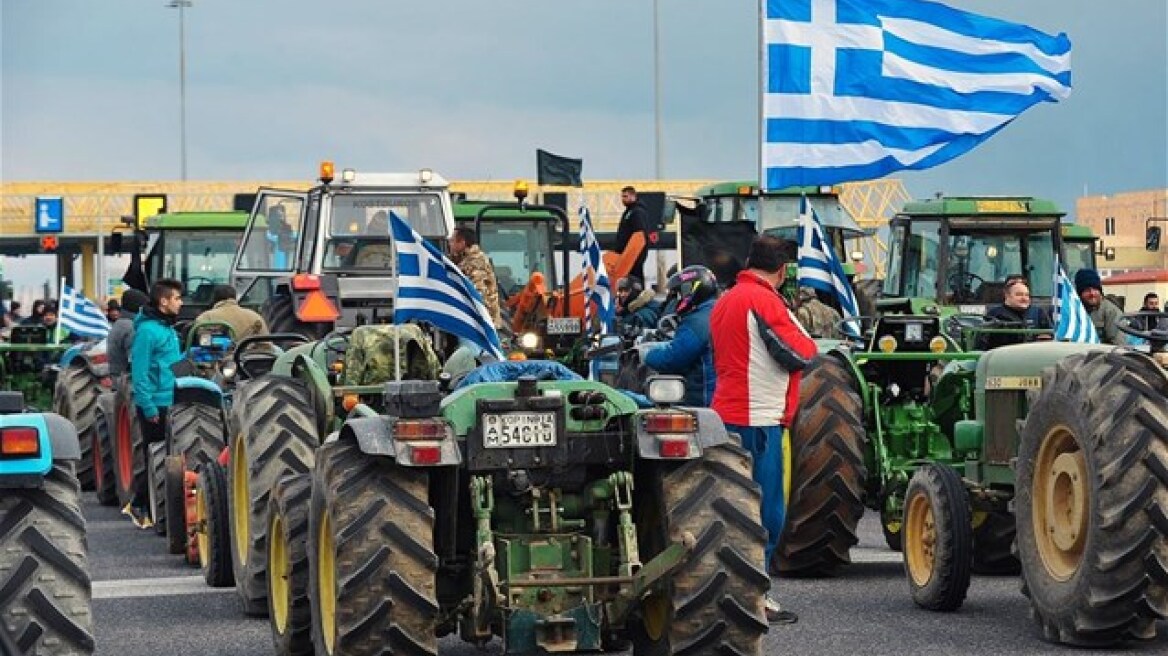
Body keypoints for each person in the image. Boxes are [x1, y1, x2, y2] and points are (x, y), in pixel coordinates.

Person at [709, 235, 816, 625]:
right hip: (761, 421)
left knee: (727, 509)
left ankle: (726, 590)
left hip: (726, 413)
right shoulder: (765, 300)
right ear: (783, 270)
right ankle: (757, 596)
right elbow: (801, 351)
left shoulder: (726, 300)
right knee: (766, 513)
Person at [126, 278, 184, 528]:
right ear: (163, 301)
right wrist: (147, 406)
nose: (181, 303)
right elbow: (139, 373)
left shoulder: (168, 329)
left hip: (172, 397)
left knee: (169, 456)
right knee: (156, 454)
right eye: (177, 298)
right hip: (155, 403)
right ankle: (141, 505)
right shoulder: (147, 332)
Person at [638, 266, 718, 407]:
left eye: (679, 294)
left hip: (703, 400)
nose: (677, 300)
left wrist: (645, 353)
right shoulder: (713, 310)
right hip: (716, 394)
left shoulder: (698, 321)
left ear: (691, 289)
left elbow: (673, 358)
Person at [975, 278, 1052, 350]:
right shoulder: (994, 314)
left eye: (1027, 295)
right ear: (1007, 295)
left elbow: (1049, 334)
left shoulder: (1038, 312)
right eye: (1019, 294)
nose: (1024, 298)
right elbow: (983, 344)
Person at [449, 227, 502, 328]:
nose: (449, 244)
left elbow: (477, 293)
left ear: (462, 243)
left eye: (452, 241)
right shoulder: (464, 260)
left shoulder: (476, 263)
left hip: (480, 323)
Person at [193, 285, 268, 346]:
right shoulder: (255, 316)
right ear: (235, 298)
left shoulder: (205, 317)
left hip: (218, 363)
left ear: (213, 299)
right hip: (250, 362)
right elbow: (267, 345)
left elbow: (203, 344)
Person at [1074, 269, 1124, 346]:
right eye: (1087, 290)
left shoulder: (1111, 312)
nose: (1092, 294)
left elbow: (1118, 345)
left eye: (1095, 289)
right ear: (1079, 294)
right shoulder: (1073, 311)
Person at [107, 289, 149, 380]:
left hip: (118, 378)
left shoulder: (120, 323)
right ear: (138, 307)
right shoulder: (131, 327)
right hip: (127, 383)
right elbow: (136, 361)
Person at [616, 186, 650, 283]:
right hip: (628, 252)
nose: (623, 199)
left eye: (625, 196)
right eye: (622, 197)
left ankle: (638, 294)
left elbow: (639, 233)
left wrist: (633, 252)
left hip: (634, 253)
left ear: (633, 196)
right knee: (631, 277)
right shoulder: (629, 211)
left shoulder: (637, 212)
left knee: (635, 275)